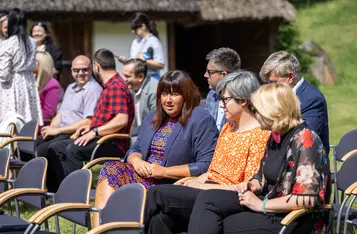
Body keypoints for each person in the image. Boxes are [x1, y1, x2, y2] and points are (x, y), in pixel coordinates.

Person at [185, 83, 331, 234]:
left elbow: (308, 199)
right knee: (208, 198)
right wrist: (251, 185)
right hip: (271, 207)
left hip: (296, 220)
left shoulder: (306, 140)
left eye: (257, 110)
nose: (254, 115)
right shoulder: (275, 137)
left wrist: (261, 204)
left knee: (226, 224)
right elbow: (261, 177)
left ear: (273, 111)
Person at [144, 71, 271, 234]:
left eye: (225, 99)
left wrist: (199, 186)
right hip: (207, 188)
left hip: (226, 196)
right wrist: (191, 181)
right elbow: (213, 171)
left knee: (155, 194)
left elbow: (247, 187)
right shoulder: (229, 127)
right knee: (159, 219)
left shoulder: (260, 135)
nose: (221, 105)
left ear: (244, 100)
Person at [93, 70, 220, 227]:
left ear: (186, 95)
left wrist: (164, 171)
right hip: (144, 175)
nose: (168, 100)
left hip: (170, 183)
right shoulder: (154, 115)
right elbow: (135, 149)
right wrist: (137, 161)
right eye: (164, 94)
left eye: (174, 94)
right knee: (110, 168)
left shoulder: (201, 119)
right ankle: (99, 229)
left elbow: (205, 165)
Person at [45, 49, 134, 192]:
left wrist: (95, 132)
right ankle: (60, 193)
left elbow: (122, 120)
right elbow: (109, 119)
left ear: (96, 66)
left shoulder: (116, 86)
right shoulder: (109, 86)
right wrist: (90, 128)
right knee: (56, 147)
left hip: (113, 143)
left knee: (73, 150)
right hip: (102, 138)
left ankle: (76, 197)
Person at [260, 51, 330, 155]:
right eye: (268, 83)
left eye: (274, 82)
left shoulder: (311, 99)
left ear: (290, 77)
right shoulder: (279, 95)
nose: (270, 87)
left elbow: (306, 139)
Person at [37, 55, 102, 158]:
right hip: (63, 132)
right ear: (71, 71)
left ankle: (52, 174)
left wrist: (57, 130)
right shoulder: (70, 87)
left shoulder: (93, 90)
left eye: (85, 70)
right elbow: (61, 114)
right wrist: (51, 129)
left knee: (44, 149)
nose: (80, 73)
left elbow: (89, 121)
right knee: (33, 144)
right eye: (76, 70)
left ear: (91, 70)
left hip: (76, 134)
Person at [0, 8, 42, 125]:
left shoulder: (7, 43)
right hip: (28, 82)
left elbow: (4, 75)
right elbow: (33, 65)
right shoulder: (33, 42)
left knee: (11, 121)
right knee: (27, 119)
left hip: (12, 85)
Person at [116, 12, 165, 81]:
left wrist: (145, 61)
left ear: (143, 26)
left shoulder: (154, 41)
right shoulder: (135, 42)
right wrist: (126, 61)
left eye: (135, 29)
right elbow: (135, 61)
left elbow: (161, 65)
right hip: (137, 80)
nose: (133, 32)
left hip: (151, 79)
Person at [204, 47, 241, 130]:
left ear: (223, 75)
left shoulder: (241, 100)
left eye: (209, 72)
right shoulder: (211, 95)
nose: (205, 75)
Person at [121, 58, 158, 143]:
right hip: (138, 135)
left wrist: (133, 132)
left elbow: (155, 122)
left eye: (127, 76)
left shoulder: (154, 90)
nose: (124, 80)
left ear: (140, 77)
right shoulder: (132, 89)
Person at [35, 51, 61, 120]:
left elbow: (47, 114)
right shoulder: (30, 81)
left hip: (38, 126)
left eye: (33, 61)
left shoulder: (53, 85)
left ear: (42, 65)